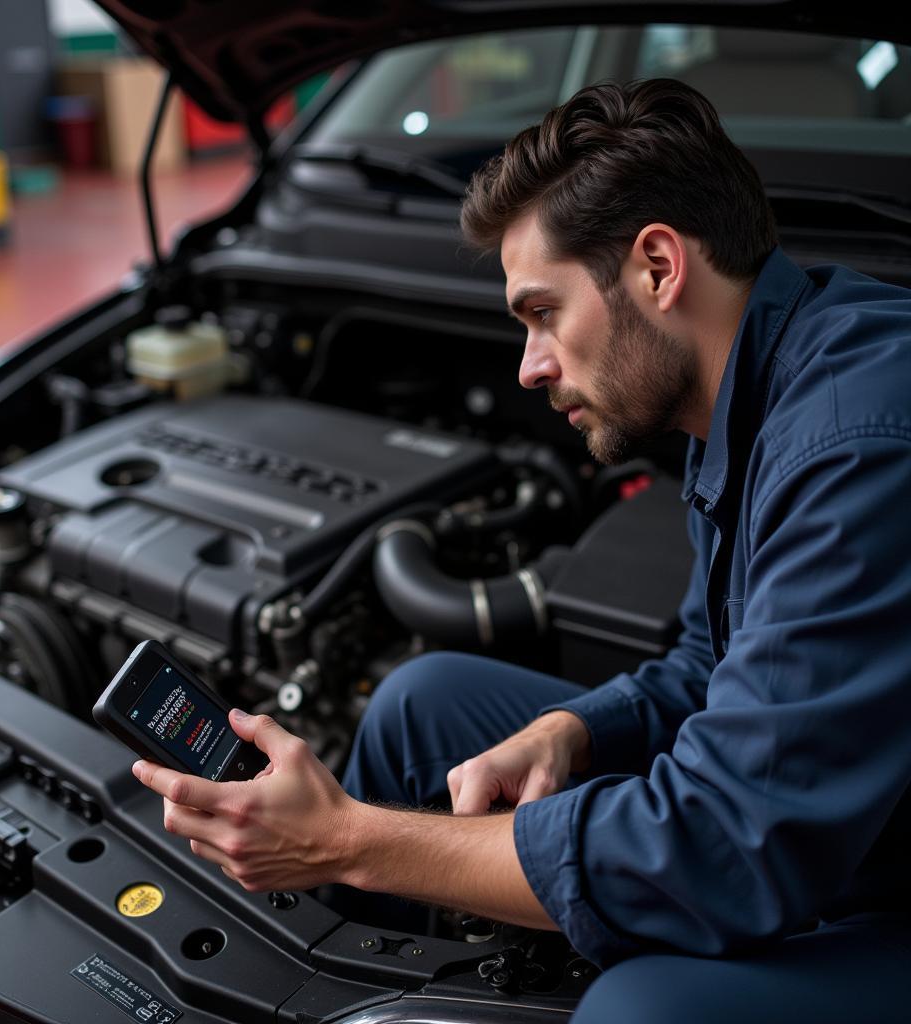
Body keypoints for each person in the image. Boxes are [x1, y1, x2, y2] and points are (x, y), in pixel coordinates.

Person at [132, 78, 911, 1021]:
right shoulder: (745, 378)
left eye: (543, 312)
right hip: (822, 803)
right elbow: (716, 663)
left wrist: (348, 841)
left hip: (881, 872)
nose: (530, 366)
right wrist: (576, 729)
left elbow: (728, 845)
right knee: (422, 704)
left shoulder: (855, 440)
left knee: (641, 1010)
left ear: (658, 267)